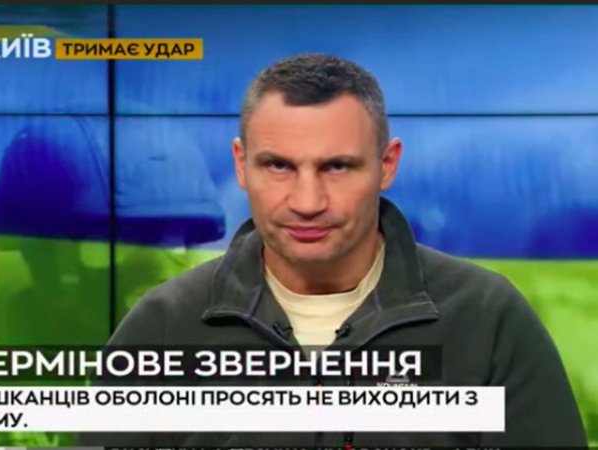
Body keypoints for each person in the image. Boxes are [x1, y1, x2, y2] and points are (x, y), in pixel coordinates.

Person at [80, 54, 587, 447]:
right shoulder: (164, 327)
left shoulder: (485, 316)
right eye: (279, 166)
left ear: (387, 165)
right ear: (240, 164)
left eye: (337, 167)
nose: (307, 202)